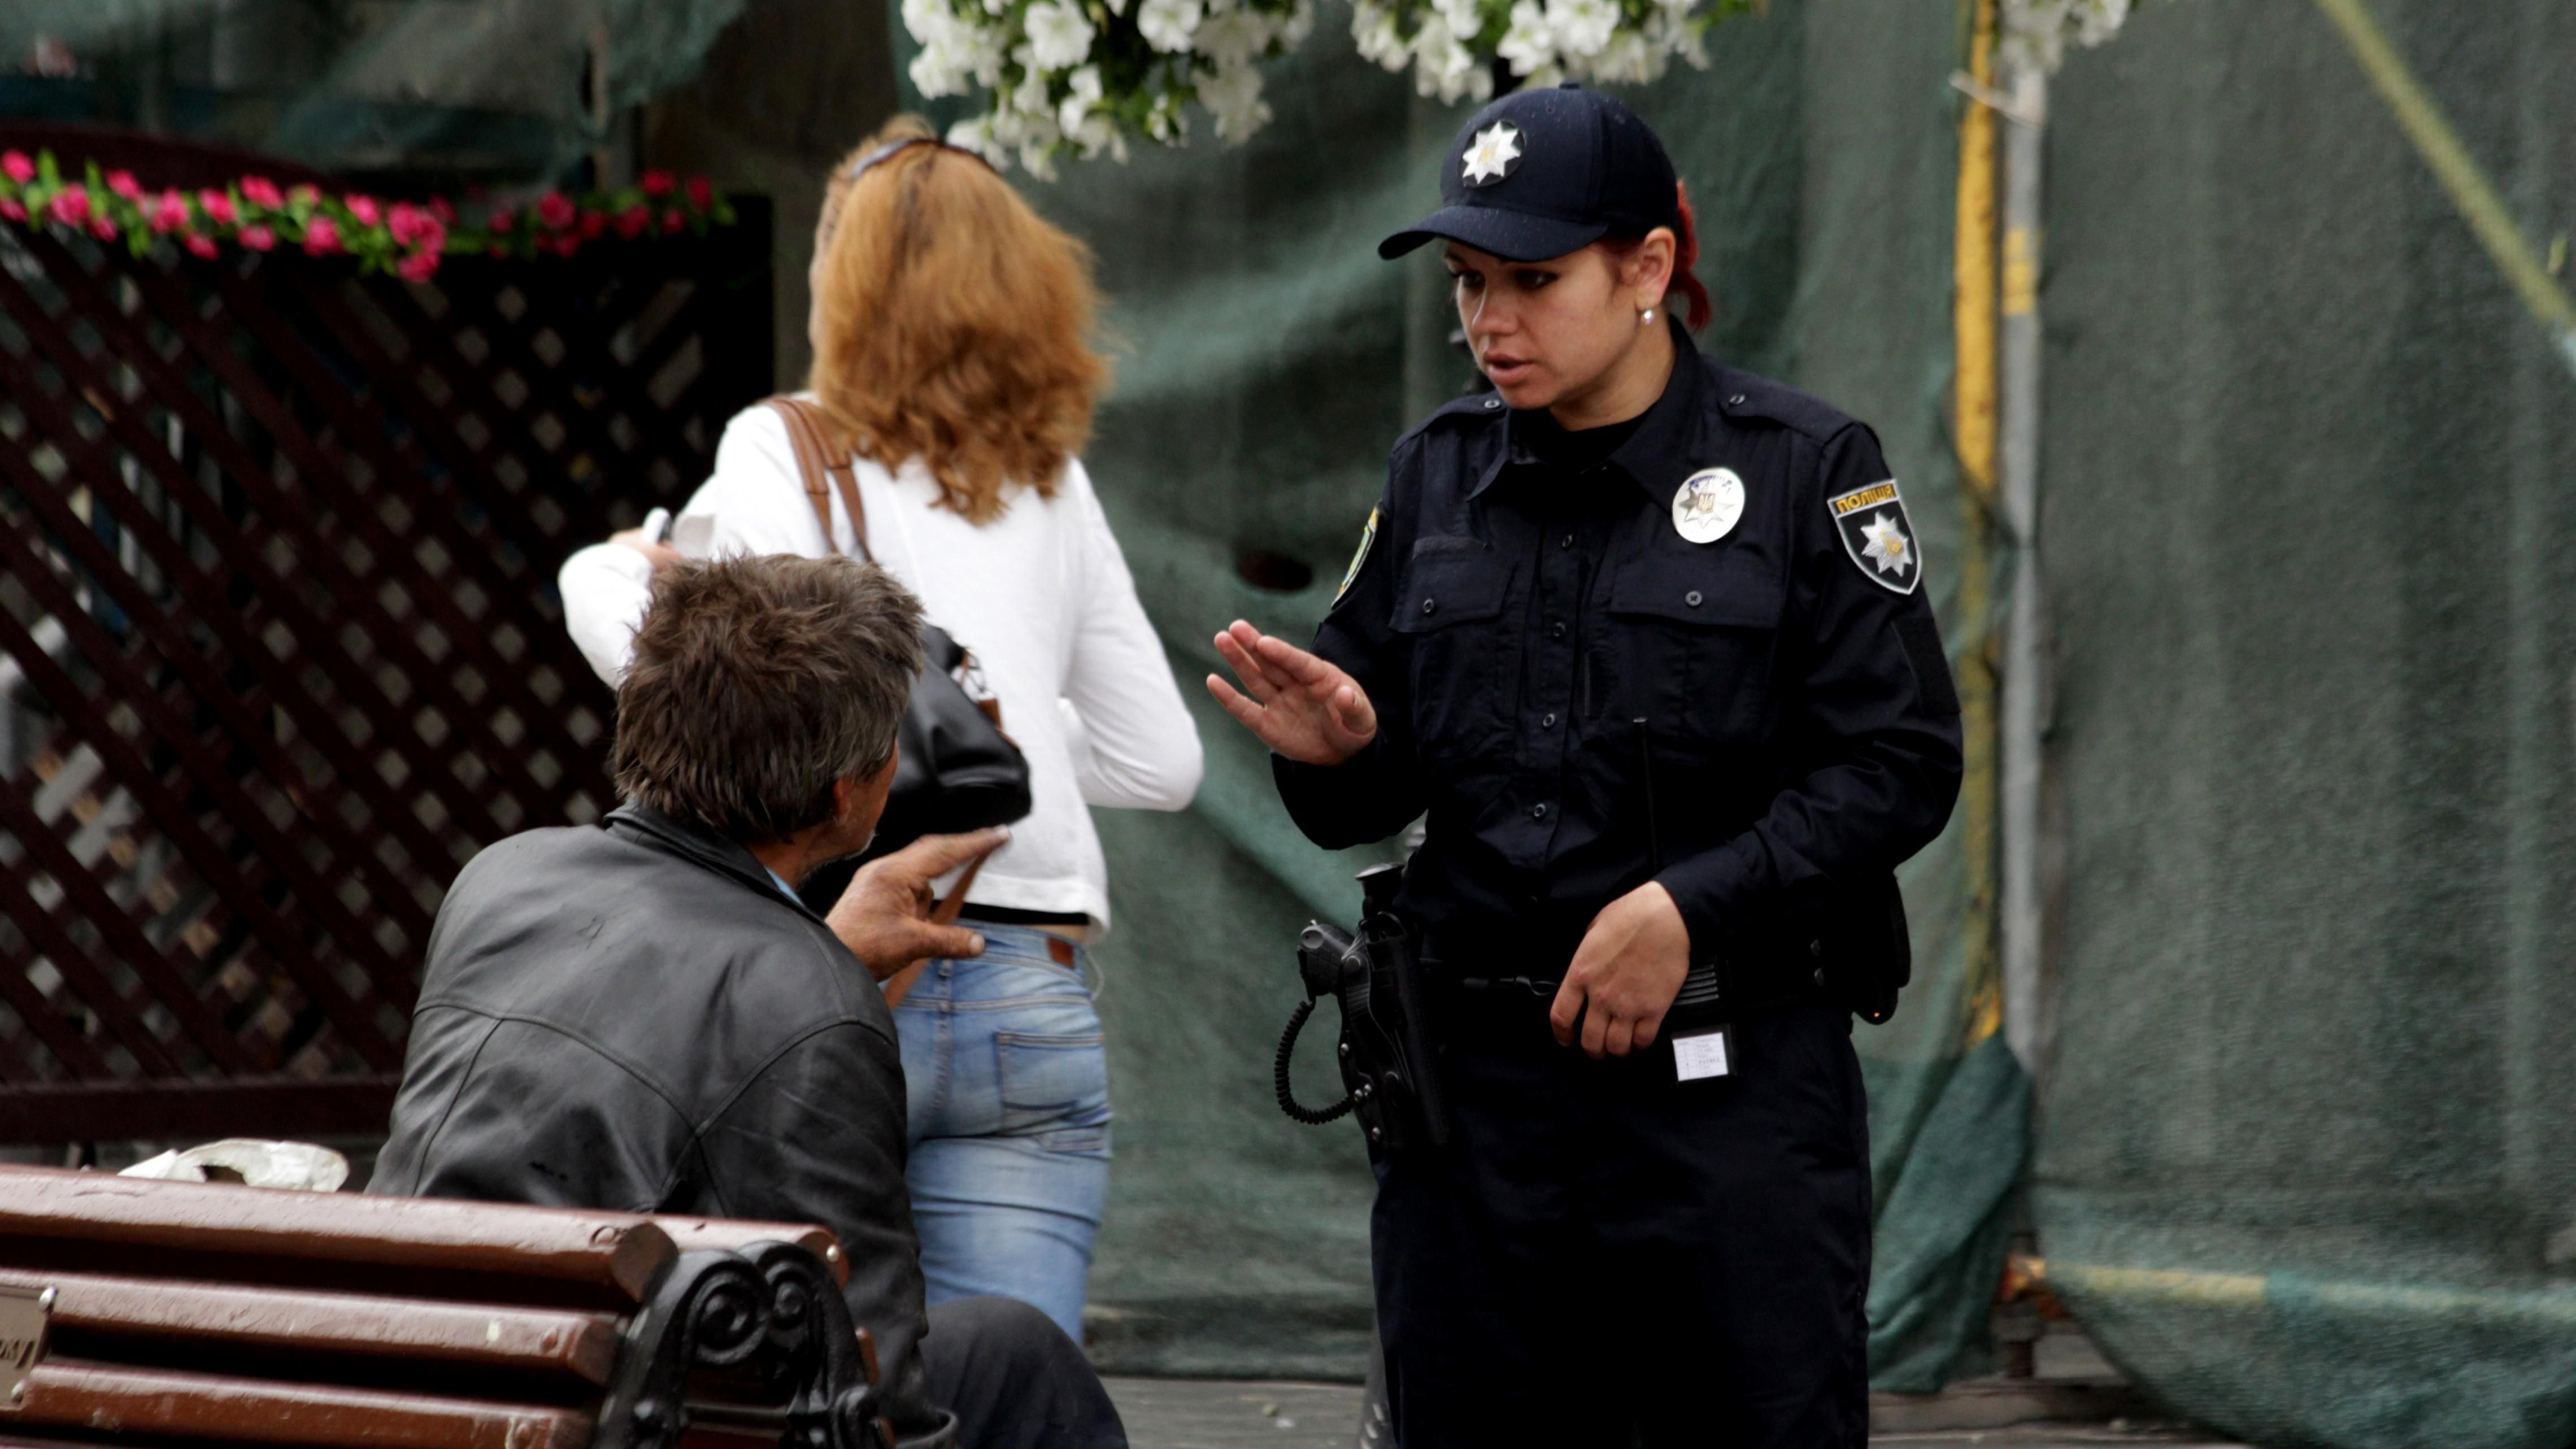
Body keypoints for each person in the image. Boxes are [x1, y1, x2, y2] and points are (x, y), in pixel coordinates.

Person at [1207, 85, 1964, 1446]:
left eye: (1532, 281)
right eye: (1468, 283)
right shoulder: (1438, 474)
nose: (1489, 321)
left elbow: (1902, 759)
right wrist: (1348, 751)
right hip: (1476, 1128)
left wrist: (1693, 905)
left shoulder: (1803, 468)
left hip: (1725, 1107)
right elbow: (1373, 783)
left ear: (1649, 270)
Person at [558, 116, 1202, 1342]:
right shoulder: (1053, 475)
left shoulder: (778, 442)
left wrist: (607, 565)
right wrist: (1000, 721)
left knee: (821, 1400)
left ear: (844, 278)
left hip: (839, 971)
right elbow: (1161, 762)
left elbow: (683, 665)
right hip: (1029, 994)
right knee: (1009, 1395)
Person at [373, 554, 1127, 1449]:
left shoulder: (500, 880)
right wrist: (820, 974)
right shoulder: (817, 1005)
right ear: (849, 793)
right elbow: (868, 1396)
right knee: (1017, 1354)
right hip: (617, 1420)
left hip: (432, 1387)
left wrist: (819, 954)